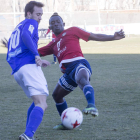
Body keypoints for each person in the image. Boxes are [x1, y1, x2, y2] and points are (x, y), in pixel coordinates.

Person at [38, 12, 125, 130]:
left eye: (58, 21)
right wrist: (15, 48)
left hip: (79, 63)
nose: (56, 24)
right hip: (68, 72)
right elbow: (35, 52)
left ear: (63, 23)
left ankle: (91, 105)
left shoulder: (72, 30)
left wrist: (113, 37)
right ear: (50, 28)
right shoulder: (52, 44)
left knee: (82, 80)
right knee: (56, 95)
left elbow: (94, 36)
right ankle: (66, 122)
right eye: (53, 23)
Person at [6, 1, 50, 140]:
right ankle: (28, 135)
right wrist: (36, 56)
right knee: (41, 103)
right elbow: (26, 35)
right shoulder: (31, 23)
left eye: (41, 15)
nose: (40, 18)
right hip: (28, 66)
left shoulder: (17, 28)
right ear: (28, 14)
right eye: (38, 14)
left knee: (37, 101)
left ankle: (28, 133)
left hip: (18, 70)